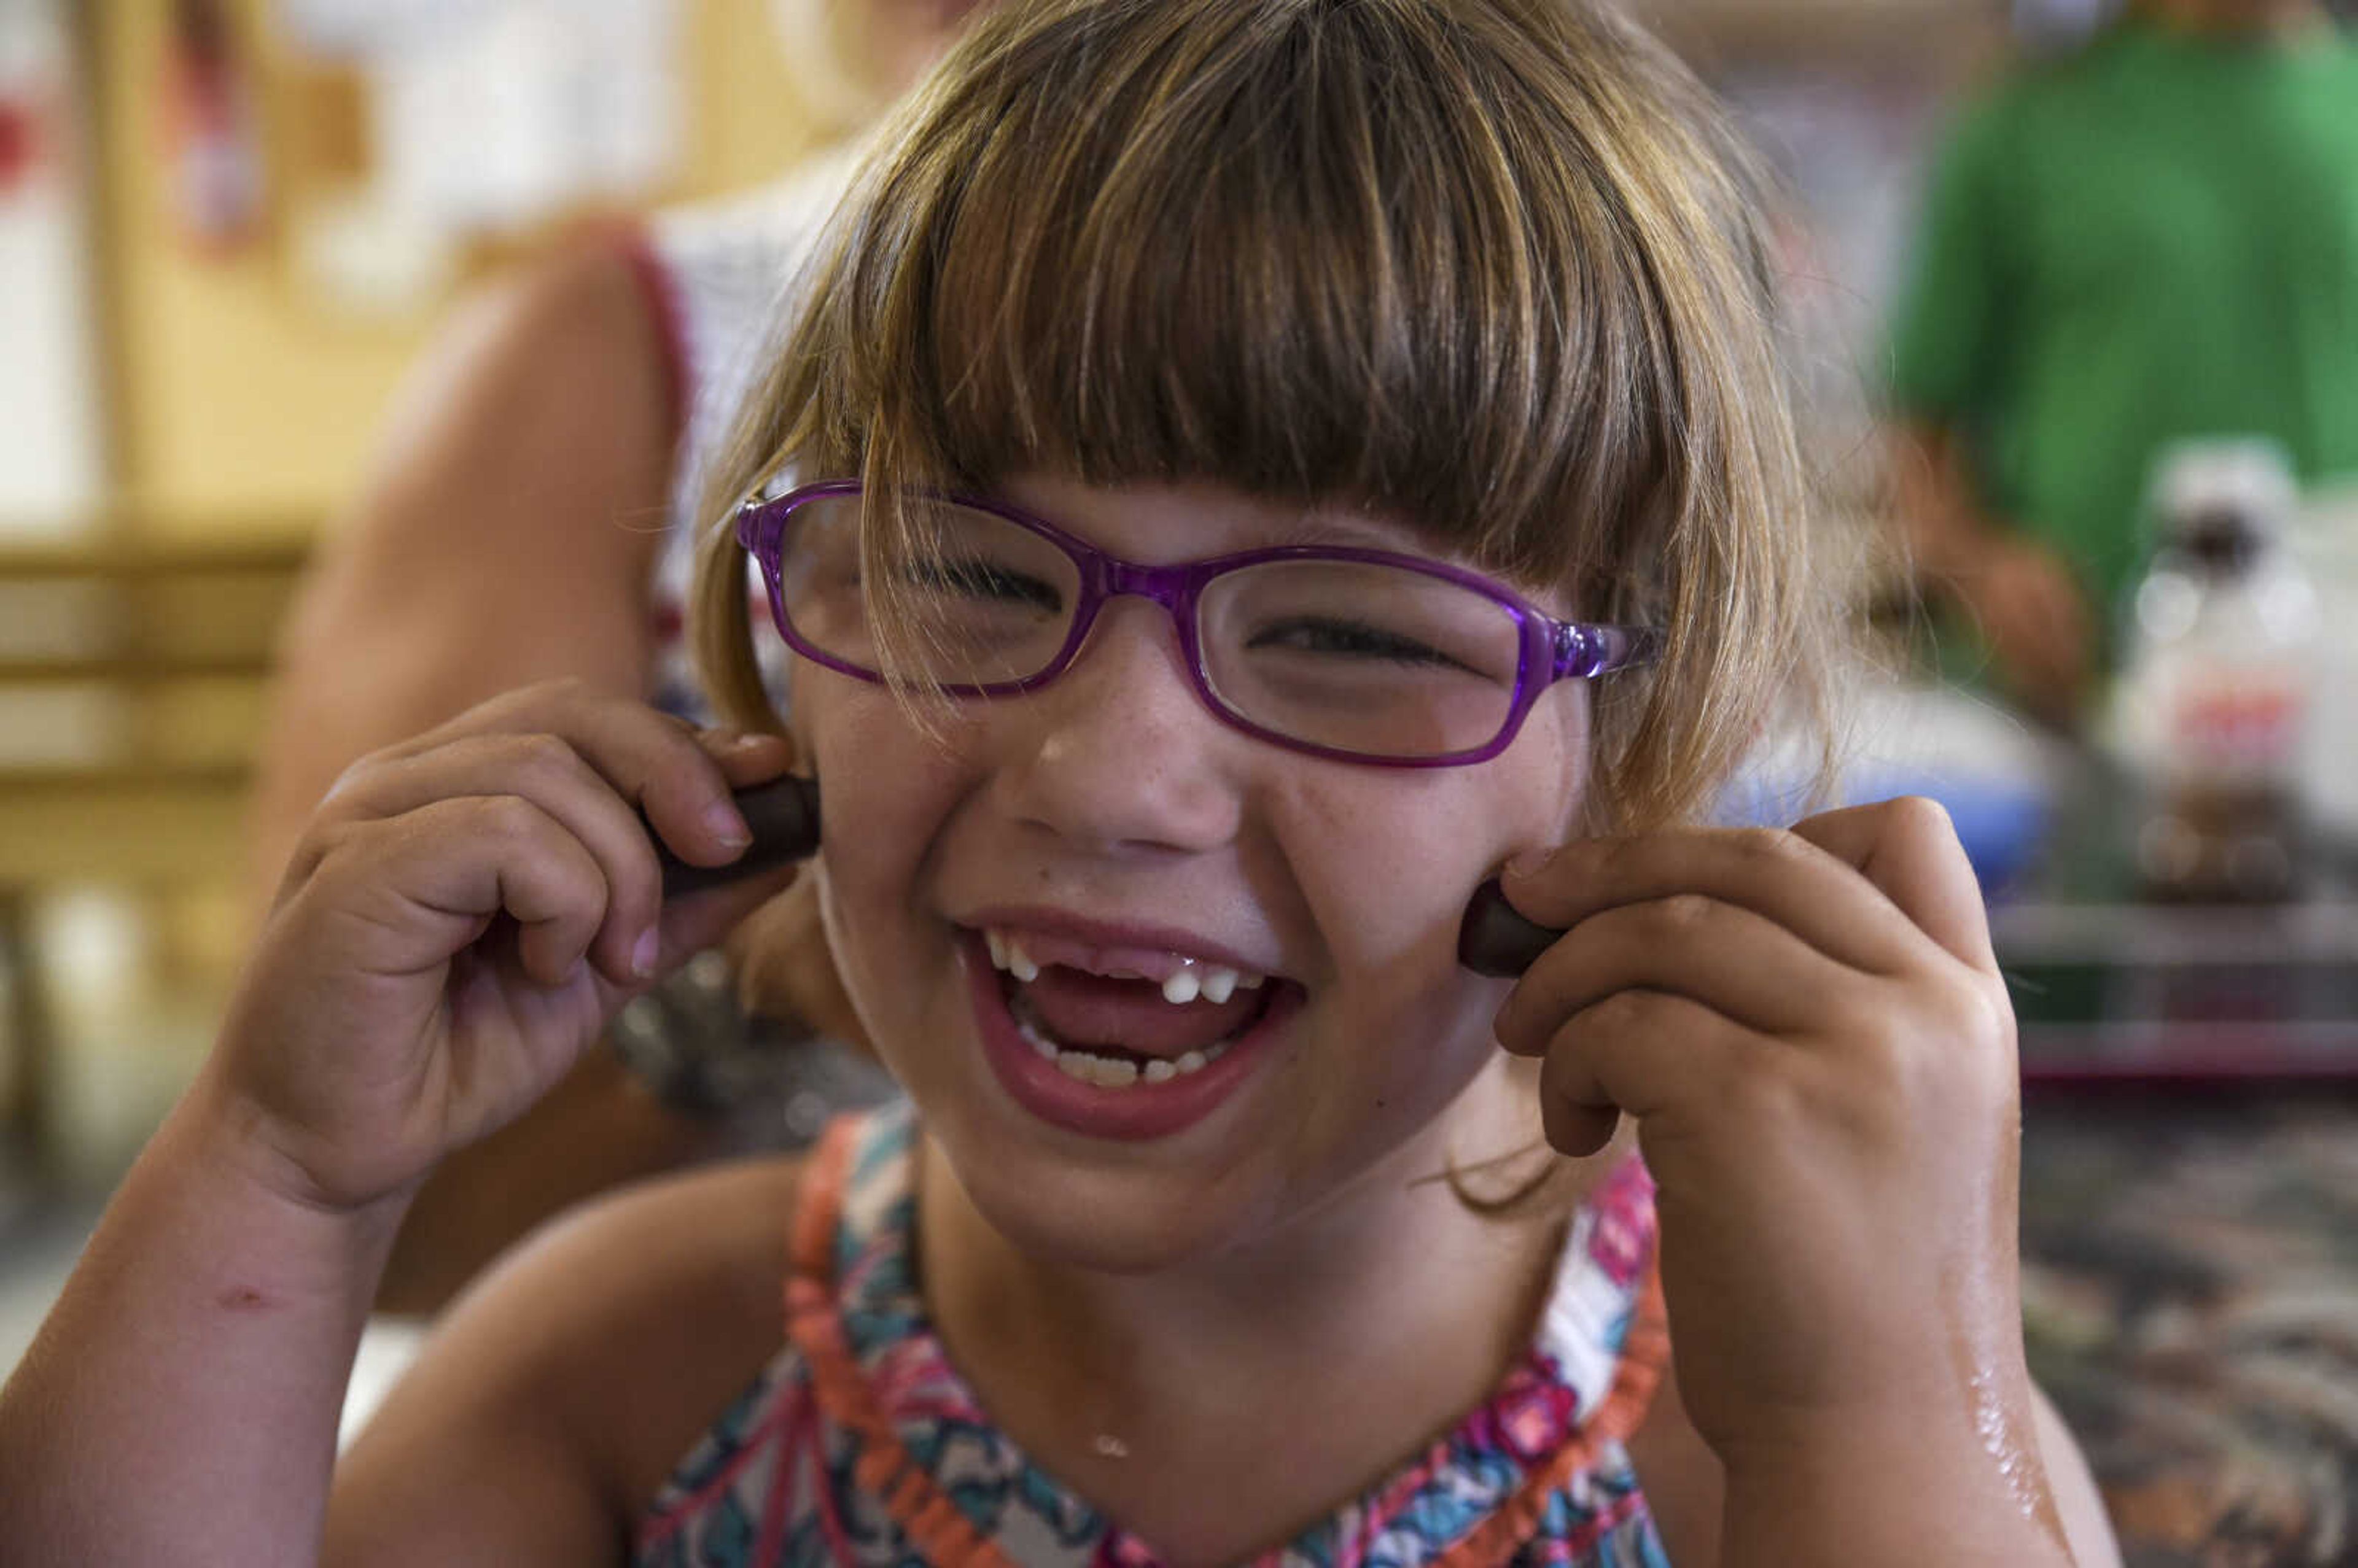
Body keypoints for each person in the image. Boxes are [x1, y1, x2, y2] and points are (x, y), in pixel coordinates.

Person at [0, 2, 2120, 1561]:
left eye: (1357, 632)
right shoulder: (635, 1382)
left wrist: (1879, 1408)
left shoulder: (1783, 1420)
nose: (1112, 776)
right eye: (961, 575)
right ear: (768, 665)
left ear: (1633, 750)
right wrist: (276, 1173)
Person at [245, 0, 990, 1313]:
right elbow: (353, 1172)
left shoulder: (1448, 340)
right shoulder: (630, 352)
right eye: (969, 577)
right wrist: (756, 991)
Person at [1885, 0, 2358, 728]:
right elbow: (1919, 431)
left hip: (2325, 708)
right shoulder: (2030, 125)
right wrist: (1981, 567)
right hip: (2066, 697)